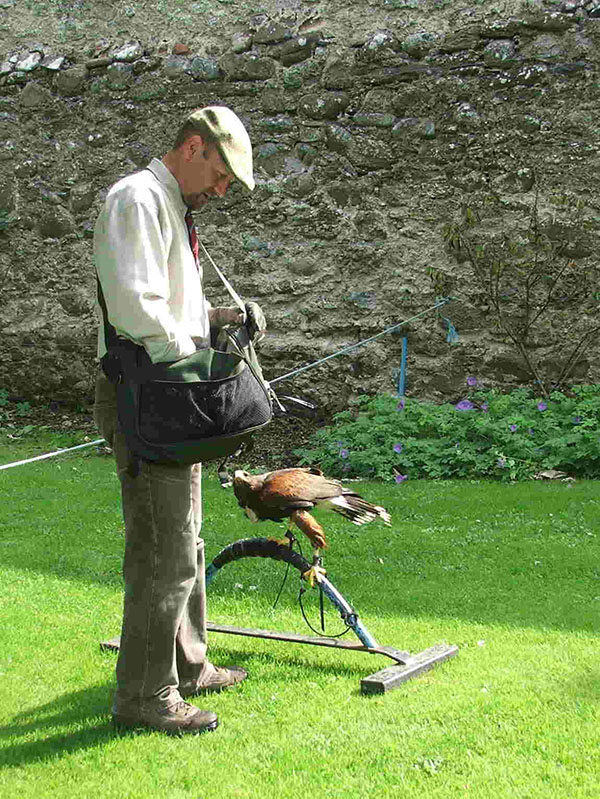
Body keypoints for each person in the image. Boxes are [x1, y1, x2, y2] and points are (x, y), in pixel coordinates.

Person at [93, 106, 264, 735]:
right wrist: (199, 360)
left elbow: (169, 306)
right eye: (220, 176)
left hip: (169, 392)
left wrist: (220, 318)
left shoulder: (171, 207)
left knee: (184, 542)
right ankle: (144, 695)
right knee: (161, 554)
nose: (221, 191)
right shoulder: (137, 199)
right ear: (193, 147)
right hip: (149, 395)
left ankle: (189, 666)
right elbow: (137, 308)